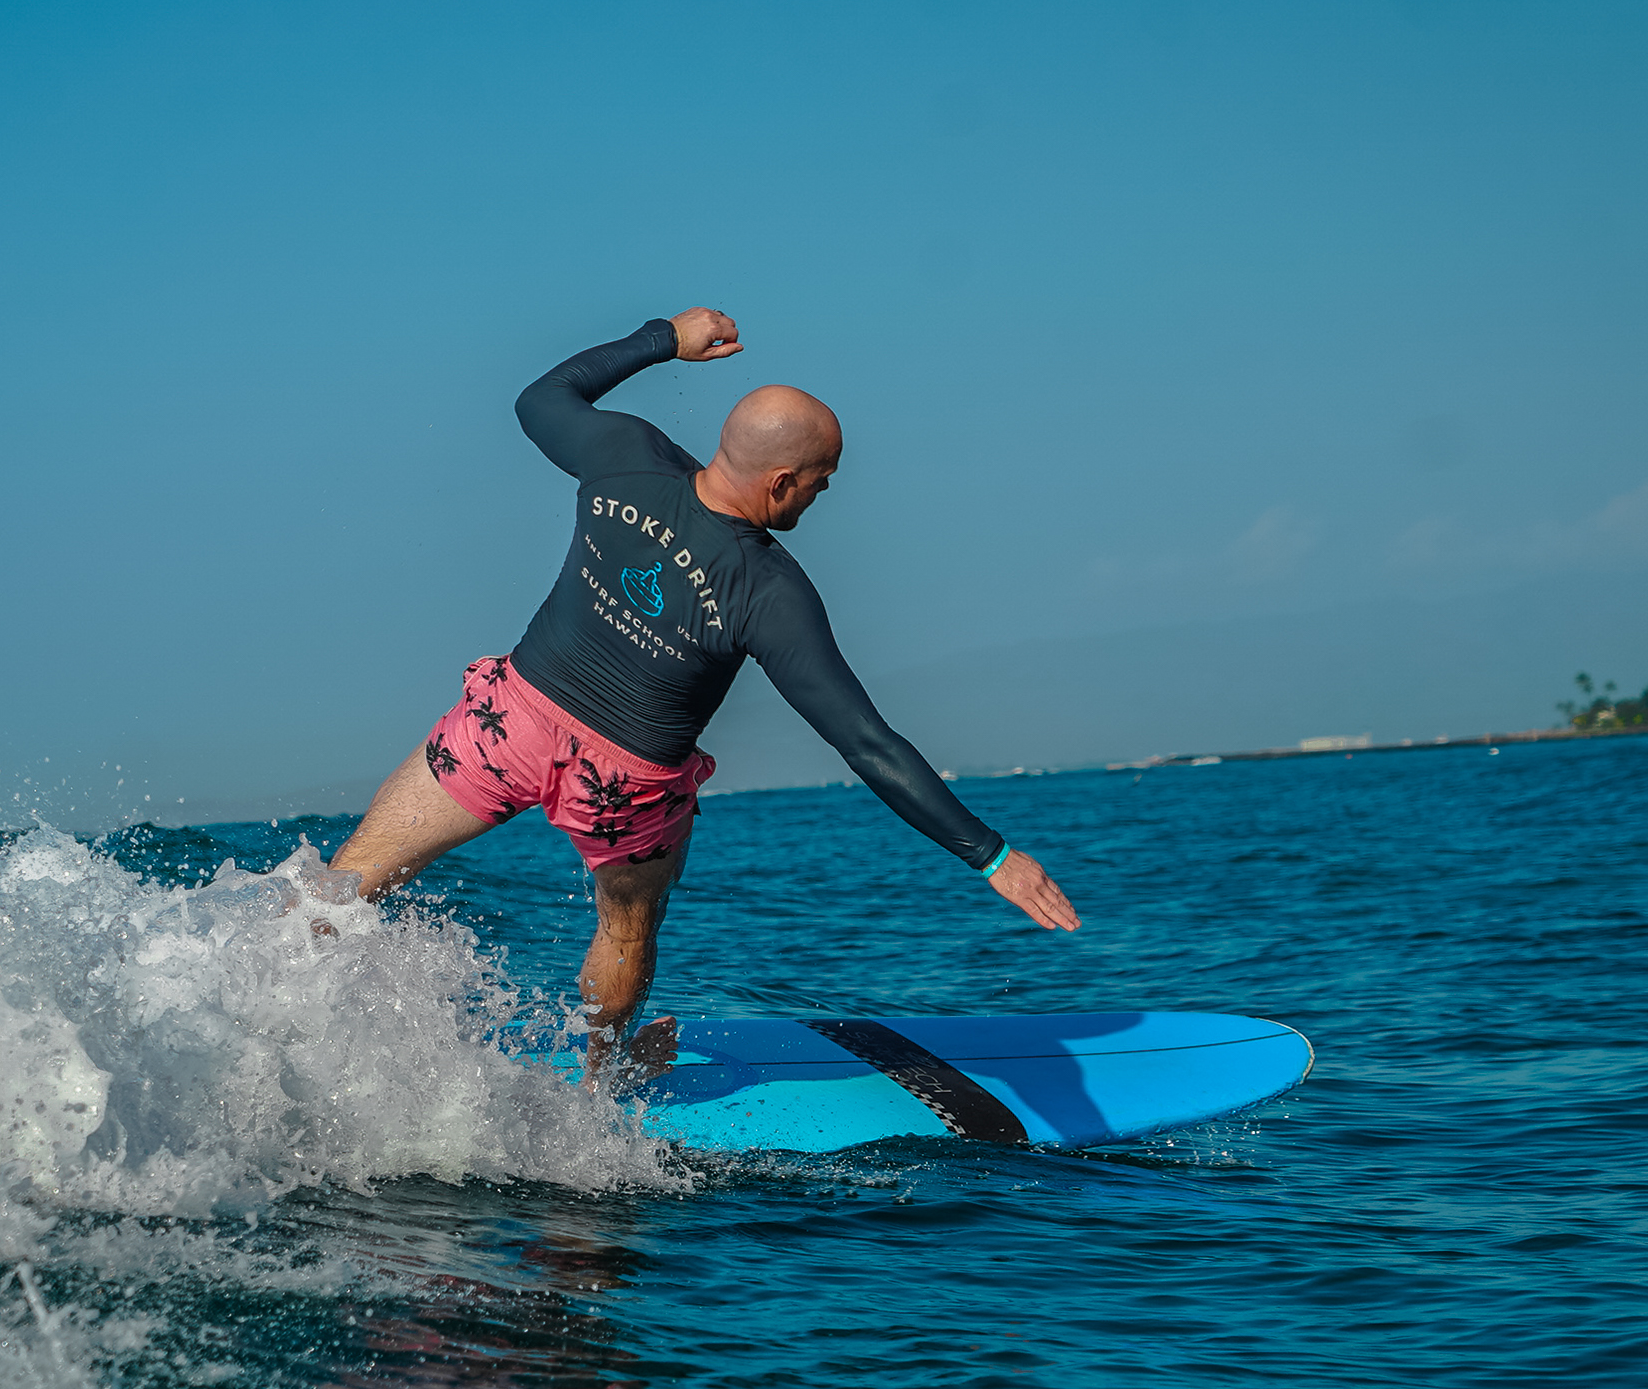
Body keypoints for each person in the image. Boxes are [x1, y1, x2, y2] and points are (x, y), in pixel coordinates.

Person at [322, 306, 1080, 1077]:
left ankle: (277, 1013)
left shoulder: (627, 454)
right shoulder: (771, 592)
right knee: (626, 928)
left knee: (351, 877)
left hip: (509, 721)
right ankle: (602, 1079)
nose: (821, 494)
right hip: (624, 784)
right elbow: (864, 742)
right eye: (820, 482)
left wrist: (663, 341)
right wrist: (991, 856)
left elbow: (538, 400)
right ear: (781, 483)